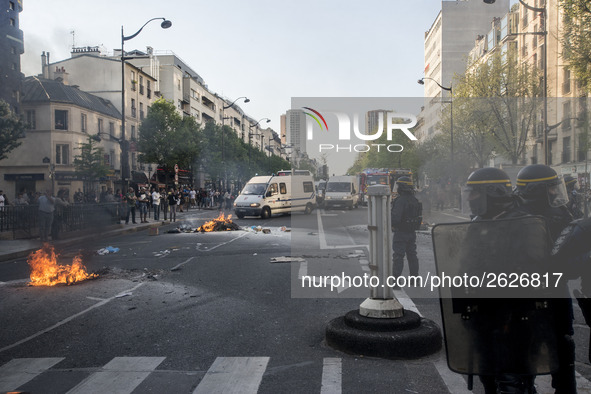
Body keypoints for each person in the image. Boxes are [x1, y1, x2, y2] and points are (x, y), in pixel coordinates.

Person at [514, 164, 576, 394]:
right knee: (526, 345)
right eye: (550, 189)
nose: (555, 193)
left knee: (563, 343)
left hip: (557, 290)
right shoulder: (514, 217)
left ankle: (566, 389)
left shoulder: (561, 213)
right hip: (527, 294)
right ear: (535, 190)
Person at [391, 176, 422, 278]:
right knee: (412, 255)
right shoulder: (414, 200)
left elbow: (395, 218)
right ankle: (414, 278)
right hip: (411, 232)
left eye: (399, 186)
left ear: (402, 187)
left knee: (398, 256)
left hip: (400, 233)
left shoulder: (400, 201)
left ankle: (395, 280)